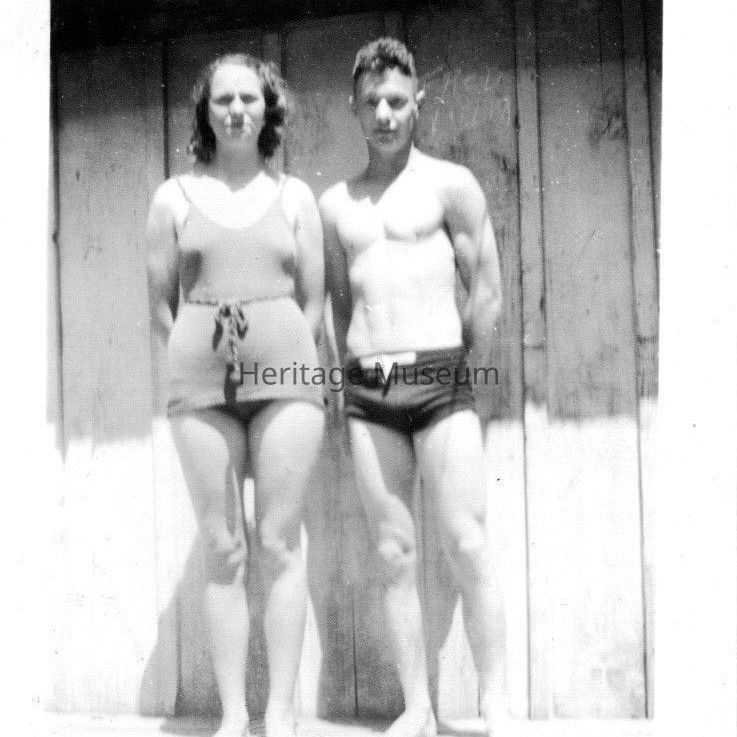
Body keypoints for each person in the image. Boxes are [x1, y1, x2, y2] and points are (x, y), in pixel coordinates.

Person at [320, 38, 508, 737]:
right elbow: (340, 306)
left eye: (397, 101)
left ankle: (494, 702)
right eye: (371, 102)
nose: (384, 114)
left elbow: (485, 290)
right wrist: (345, 382)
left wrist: (461, 366)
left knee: (466, 541)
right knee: (394, 553)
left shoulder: (450, 185)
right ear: (353, 106)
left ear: (417, 103)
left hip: (440, 382)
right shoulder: (335, 203)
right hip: (369, 389)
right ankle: (418, 708)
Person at [146, 53, 325, 737]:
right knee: (223, 547)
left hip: (286, 379)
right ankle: (233, 715)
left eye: (249, 98)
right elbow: (160, 306)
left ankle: (280, 714)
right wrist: (197, 355)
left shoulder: (295, 197)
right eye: (223, 99)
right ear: (205, 110)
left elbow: (313, 302)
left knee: (278, 541)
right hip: (200, 383)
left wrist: (279, 354)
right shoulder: (172, 198)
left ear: (268, 109)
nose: (237, 110)